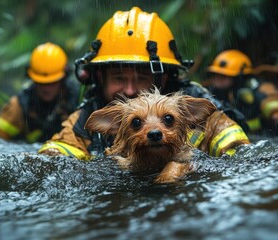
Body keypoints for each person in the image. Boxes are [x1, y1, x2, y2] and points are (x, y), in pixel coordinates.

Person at [38, 7, 249, 159]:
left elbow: (244, 159)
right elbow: (50, 164)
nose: (130, 90)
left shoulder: (198, 111)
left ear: (164, 78)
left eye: (142, 78)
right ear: (100, 78)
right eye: (119, 78)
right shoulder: (86, 118)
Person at [0, 42, 81, 143]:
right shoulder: (17, 106)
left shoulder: (78, 100)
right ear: (32, 78)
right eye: (41, 83)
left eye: (52, 82)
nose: (46, 88)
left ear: (63, 77)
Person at [205, 49, 278, 133]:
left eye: (223, 76)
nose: (217, 79)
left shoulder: (256, 88)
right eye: (216, 74)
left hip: (266, 136)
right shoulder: (215, 91)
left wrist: (275, 111)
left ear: (239, 77)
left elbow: (274, 101)